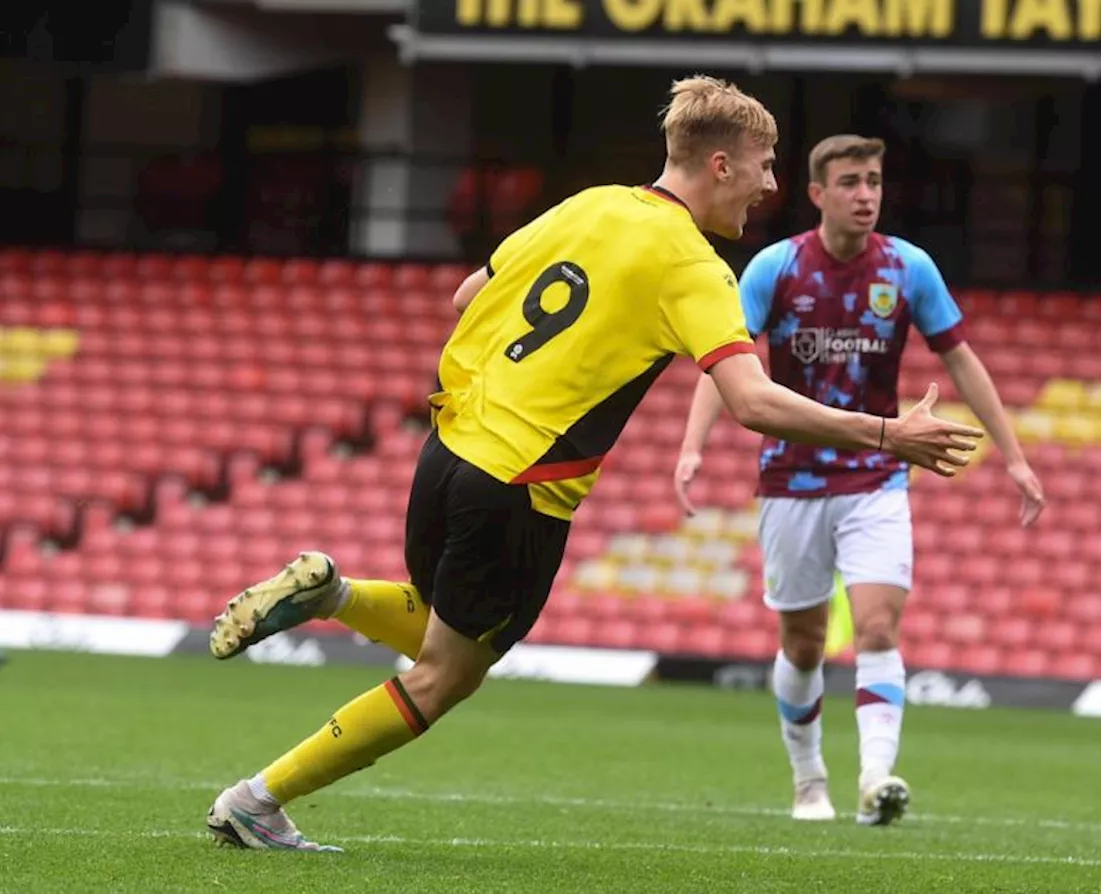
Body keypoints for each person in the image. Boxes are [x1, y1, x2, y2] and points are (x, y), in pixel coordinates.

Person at [204, 81, 984, 852]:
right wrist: (885, 433)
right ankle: (258, 801)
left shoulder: (590, 203)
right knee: (445, 677)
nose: (771, 185)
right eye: (765, 165)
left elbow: (468, 295)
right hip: (522, 487)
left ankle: (332, 594)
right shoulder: (692, 263)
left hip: (450, 450)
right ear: (719, 164)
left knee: (448, 637)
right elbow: (751, 401)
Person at [673, 134, 1045, 826]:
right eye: (850, 182)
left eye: (873, 181)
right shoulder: (774, 269)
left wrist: (1013, 456)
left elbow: (961, 361)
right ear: (818, 194)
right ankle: (809, 778)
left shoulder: (909, 269)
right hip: (792, 481)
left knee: (877, 626)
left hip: (877, 476)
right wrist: (693, 447)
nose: (865, 194)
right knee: (804, 644)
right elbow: (730, 363)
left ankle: (877, 779)